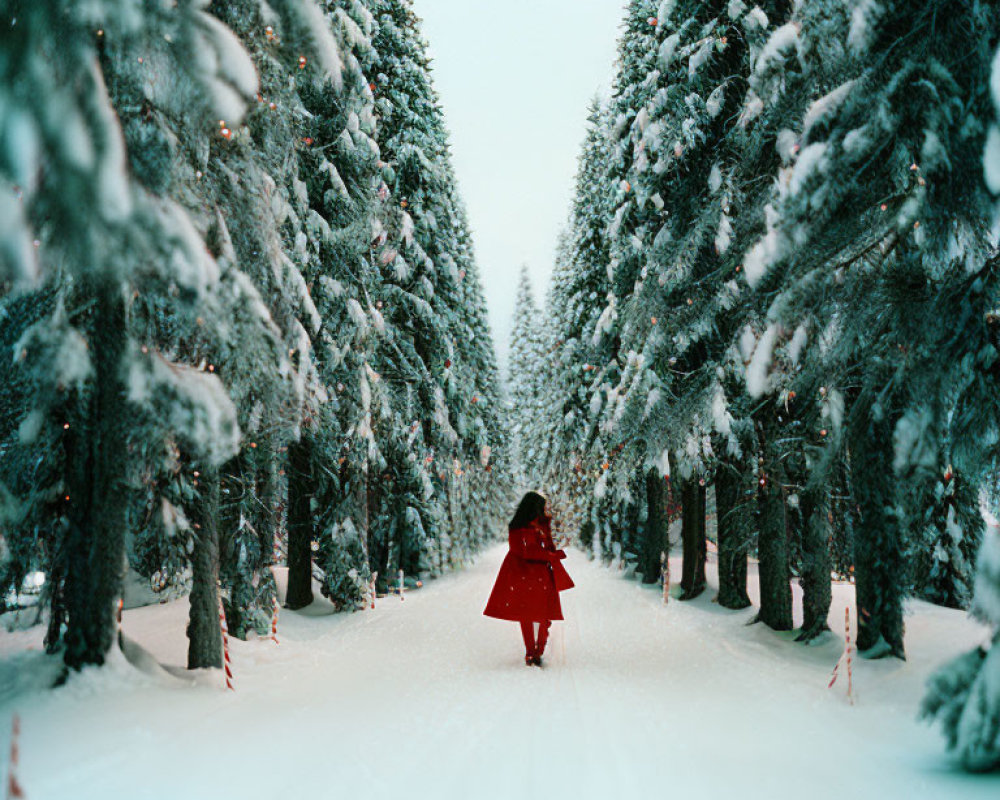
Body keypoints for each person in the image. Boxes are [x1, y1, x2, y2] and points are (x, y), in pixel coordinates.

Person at [484, 491, 574, 666]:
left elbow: (532, 549)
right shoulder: (525, 528)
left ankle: (533, 651)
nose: (545, 510)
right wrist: (550, 556)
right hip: (532, 574)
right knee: (538, 614)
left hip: (527, 574)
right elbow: (527, 551)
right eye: (542, 507)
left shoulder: (530, 525)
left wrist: (551, 552)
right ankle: (534, 652)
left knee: (531, 614)